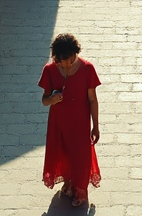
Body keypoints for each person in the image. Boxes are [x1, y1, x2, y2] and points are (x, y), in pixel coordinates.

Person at [39, 33, 101, 208]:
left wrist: (95, 126)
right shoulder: (50, 70)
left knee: (80, 155)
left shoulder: (87, 69)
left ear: (76, 53)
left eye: (69, 59)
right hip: (58, 122)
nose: (66, 64)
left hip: (80, 123)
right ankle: (69, 181)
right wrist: (53, 99)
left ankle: (81, 189)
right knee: (64, 153)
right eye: (62, 61)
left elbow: (92, 100)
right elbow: (44, 100)